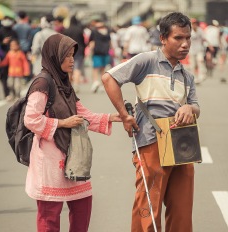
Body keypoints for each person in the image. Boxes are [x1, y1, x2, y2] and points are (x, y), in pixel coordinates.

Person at [102, 12, 200, 232]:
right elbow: (109, 78)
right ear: (163, 38)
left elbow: (196, 107)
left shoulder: (187, 75)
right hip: (151, 139)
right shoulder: (147, 60)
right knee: (148, 204)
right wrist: (125, 116)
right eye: (178, 38)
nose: (185, 44)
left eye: (188, 38)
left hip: (182, 143)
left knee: (182, 208)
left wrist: (189, 108)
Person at [23, 33, 121, 232]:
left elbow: (81, 113)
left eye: (72, 54)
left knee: (83, 204)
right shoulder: (42, 83)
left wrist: (111, 117)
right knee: (49, 214)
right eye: (66, 55)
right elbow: (30, 119)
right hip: (49, 158)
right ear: (54, 56)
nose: (71, 59)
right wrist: (62, 123)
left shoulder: (64, 81)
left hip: (72, 156)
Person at [63, 15, 86, 93]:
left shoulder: (67, 30)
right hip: (79, 51)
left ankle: (69, 85)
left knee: (69, 69)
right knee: (77, 69)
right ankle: (76, 85)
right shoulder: (80, 30)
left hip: (68, 52)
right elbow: (83, 42)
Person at [0, 16, 18, 100]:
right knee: (4, 76)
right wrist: (3, 42)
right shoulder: (0, 32)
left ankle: (15, 93)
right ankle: (7, 94)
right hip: (3, 56)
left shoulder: (13, 31)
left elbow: (17, 42)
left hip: (14, 56)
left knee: (14, 75)